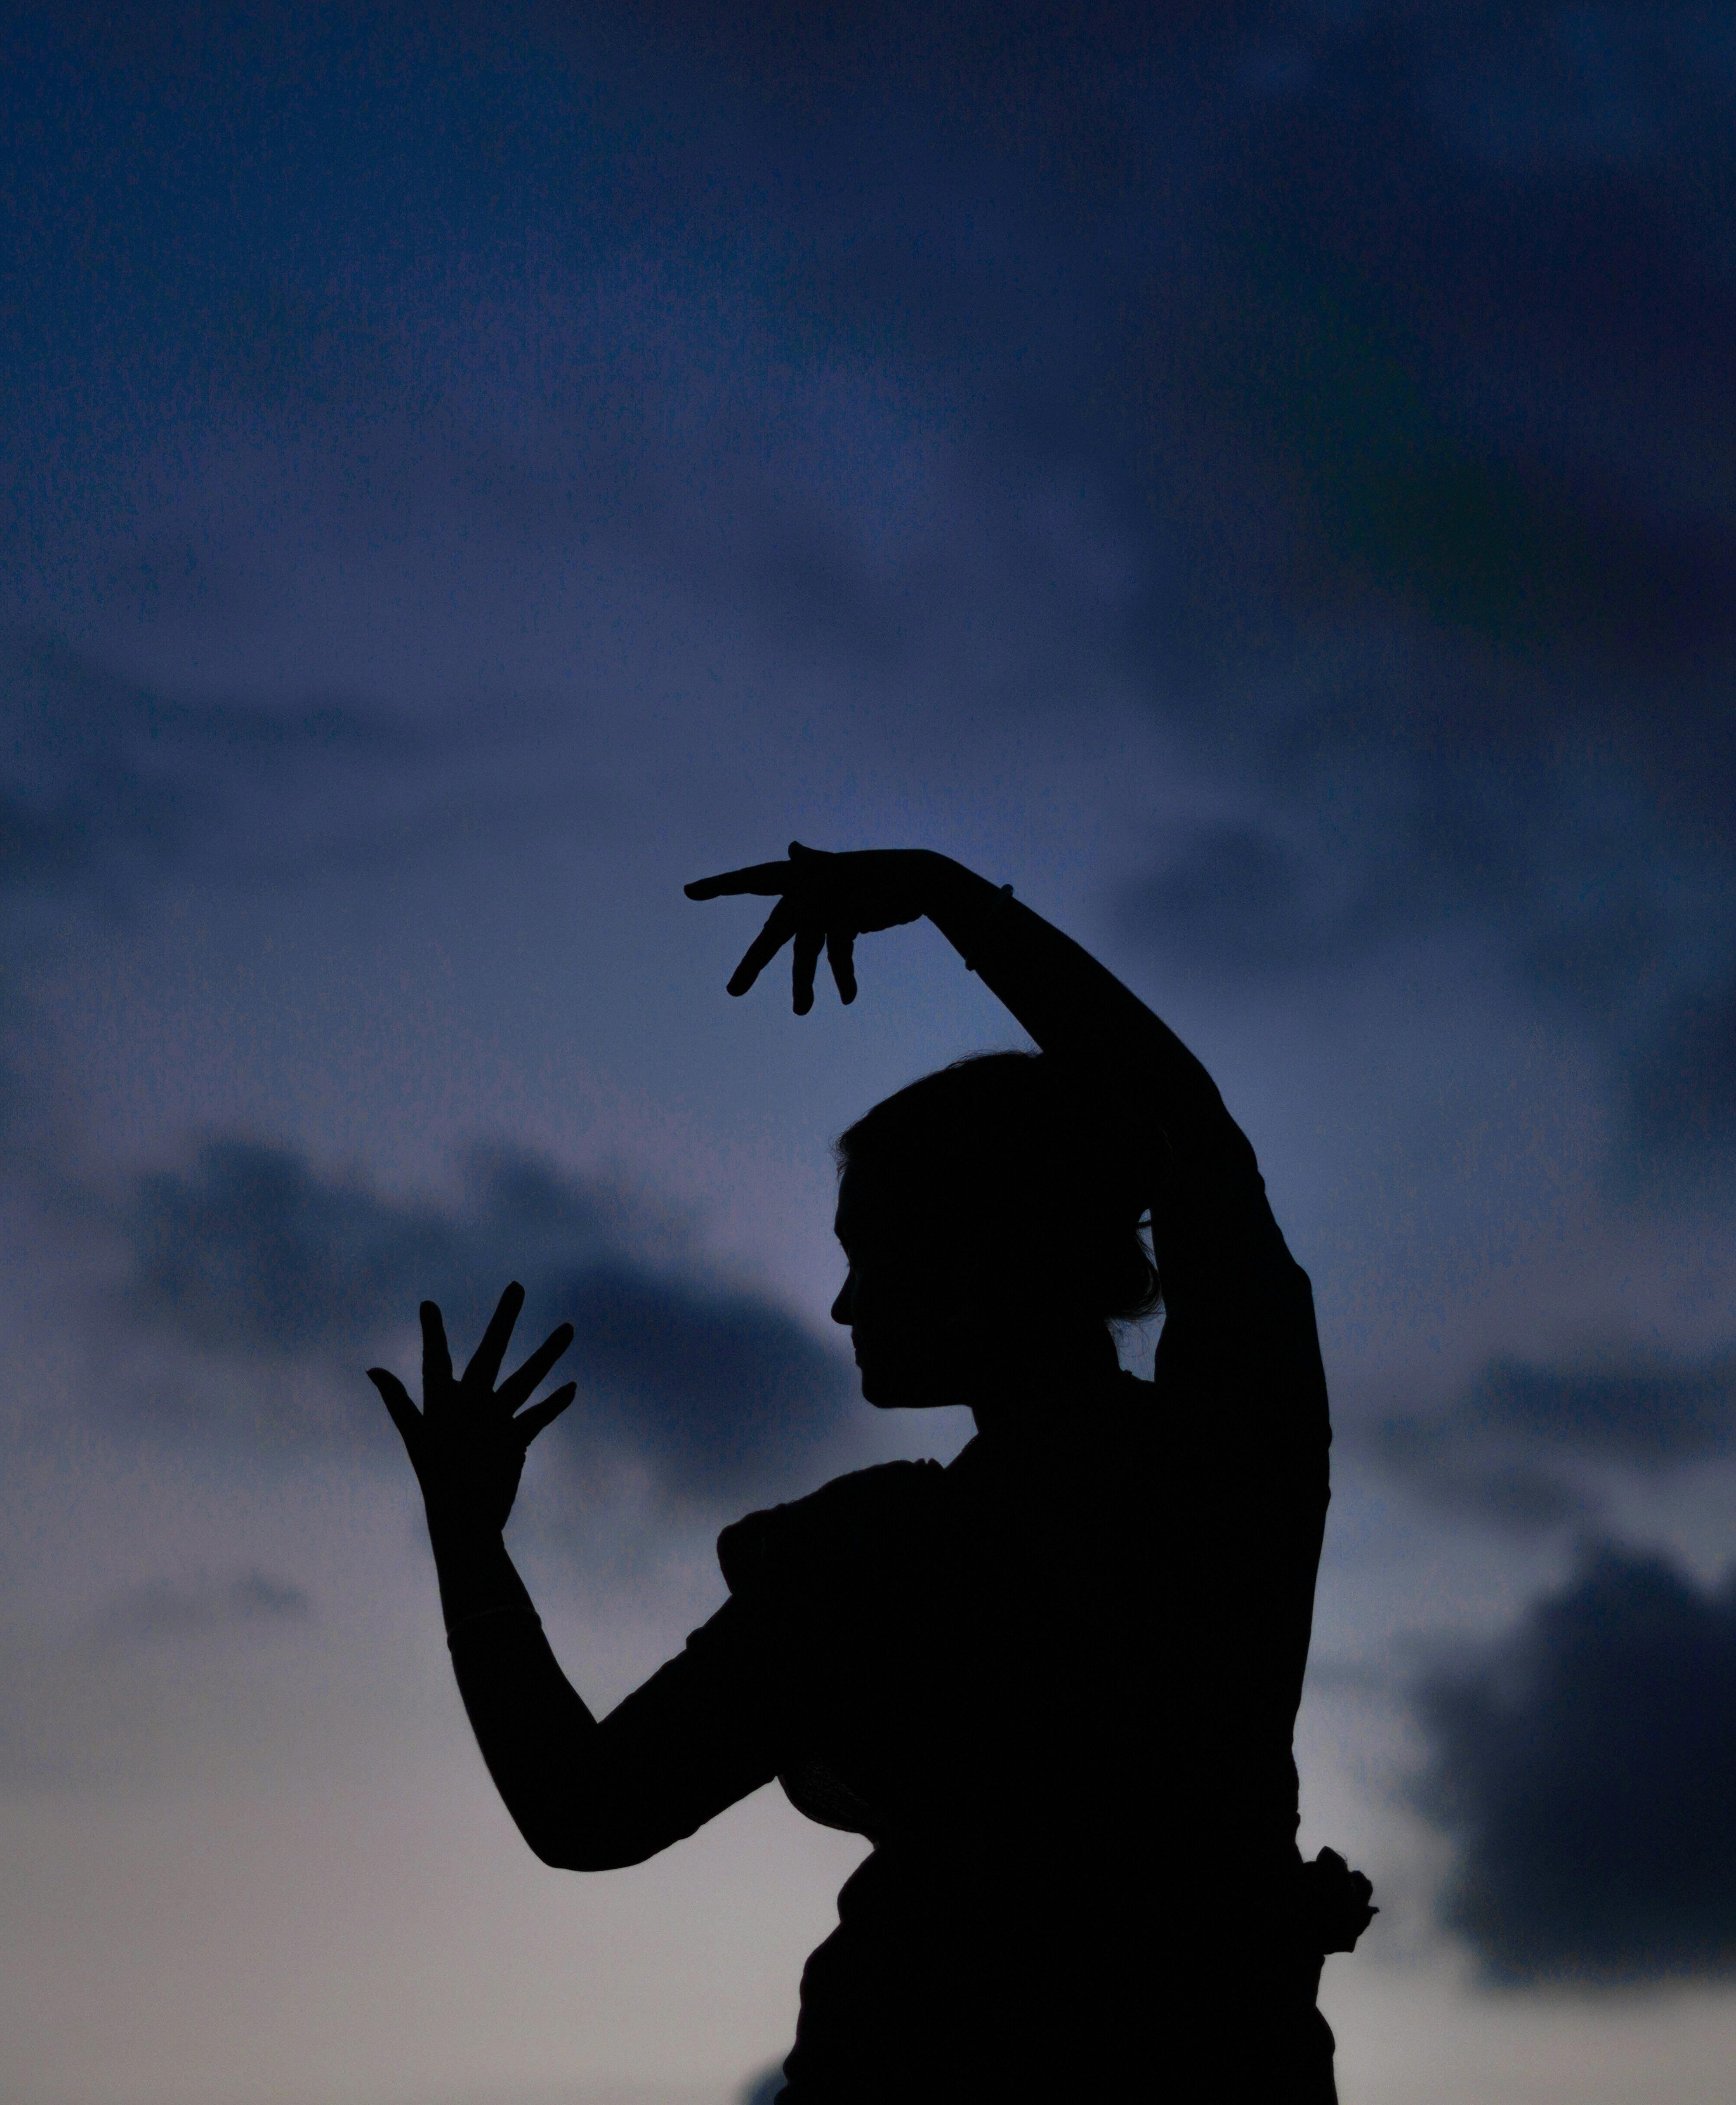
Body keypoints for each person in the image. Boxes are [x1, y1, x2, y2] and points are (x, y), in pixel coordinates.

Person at [369, 843, 1372, 2102]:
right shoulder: (1234, 1465)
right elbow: (1197, 1144)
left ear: (978, 1265)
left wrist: (468, 1538)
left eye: (870, 1255)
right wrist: (948, 896)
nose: (841, 1302)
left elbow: (585, 1813)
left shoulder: (875, 1558)